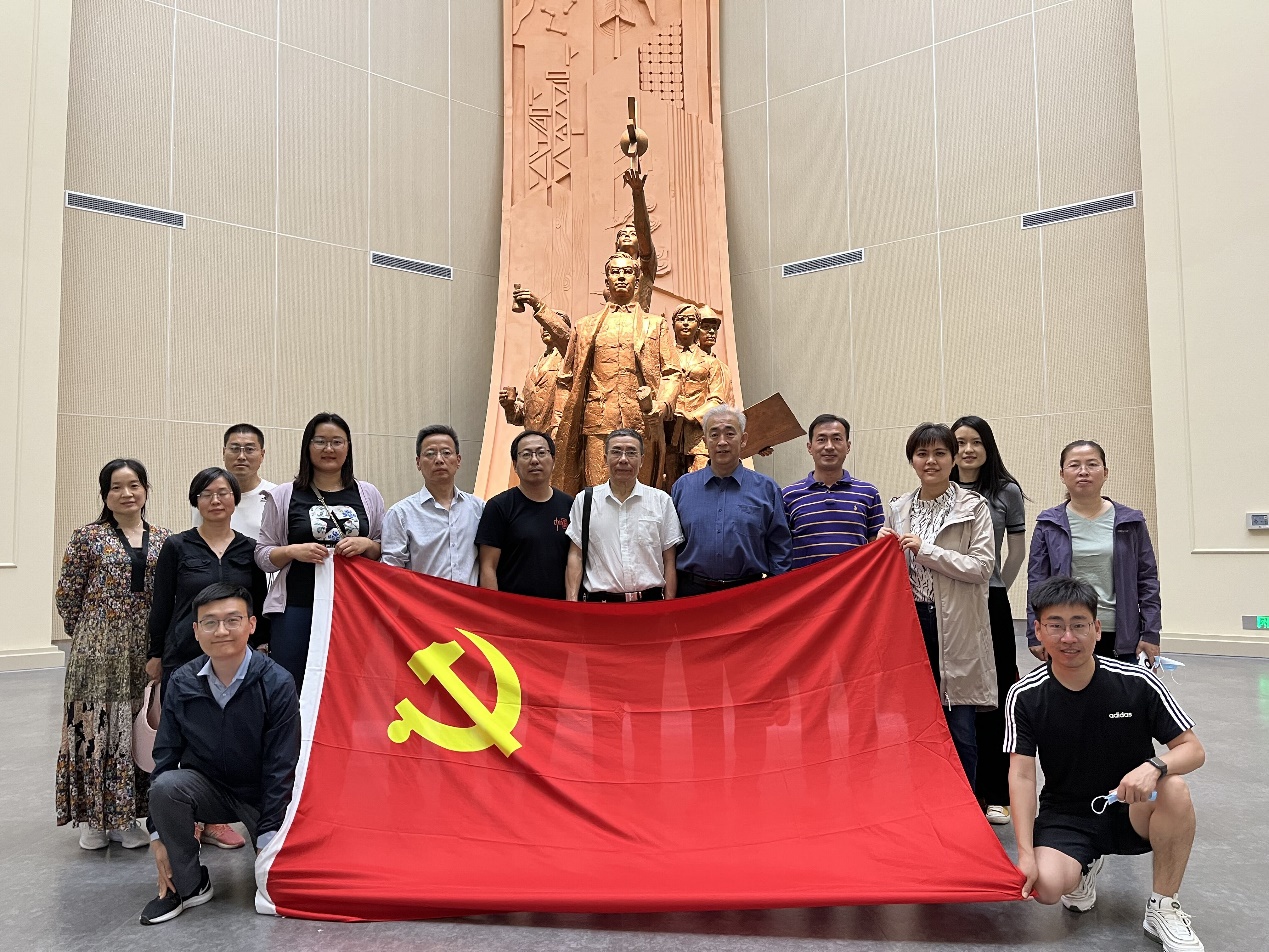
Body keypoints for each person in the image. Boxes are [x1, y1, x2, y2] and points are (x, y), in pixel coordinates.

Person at [1007, 576, 1205, 952]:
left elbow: (1192, 750)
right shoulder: (1025, 695)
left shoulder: (1137, 682)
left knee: (1175, 788)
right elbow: (1021, 775)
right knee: (1045, 888)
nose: (1068, 637)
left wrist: (1154, 766)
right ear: (1038, 631)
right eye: (1056, 626)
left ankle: (1163, 906)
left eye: (1079, 625)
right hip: (1067, 813)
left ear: (1097, 629)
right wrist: (1026, 854)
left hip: (1132, 806)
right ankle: (1082, 866)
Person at [139, 583, 300, 925]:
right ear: (196, 631)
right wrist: (158, 835)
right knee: (167, 787)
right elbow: (165, 756)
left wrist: (268, 838)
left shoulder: (277, 682)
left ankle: (271, 855)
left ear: (252, 625)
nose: (221, 630)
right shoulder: (182, 681)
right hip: (207, 789)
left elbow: (281, 766)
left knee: (283, 890)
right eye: (210, 622)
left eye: (232, 620)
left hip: (263, 795)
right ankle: (189, 884)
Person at [147, 468, 270, 851]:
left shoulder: (250, 549)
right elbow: (162, 603)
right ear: (195, 501)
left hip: (235, 659)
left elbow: (258, 603)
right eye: (206, 494)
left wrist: (261, 644)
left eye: (223, 493)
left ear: (235, 499)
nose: (215, 500)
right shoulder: (177, 546)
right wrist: (155, 654)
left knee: (225, 736)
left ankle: (215, 819)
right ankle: (182, 819)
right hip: (184, 655)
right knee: (183, 736)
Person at [55, 459, 171, 850]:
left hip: (144, 652)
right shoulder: (87, 537)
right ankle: (93, 819)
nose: (126, 493)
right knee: (95, 729)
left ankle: (126, 818)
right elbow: (67, 596)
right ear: (105, 495)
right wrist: (91, 634)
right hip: (96, 652)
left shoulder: (164, 539)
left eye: (134, 485)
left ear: (146, 490)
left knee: (136, 728)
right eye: (116, 487)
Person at [878, 422, 996, 787]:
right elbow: (890, 573)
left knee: (960, 725)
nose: (931, 461)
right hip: (911, 624)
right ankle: (924, 802)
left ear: (953, 459)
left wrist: (926, 551)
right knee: (915, 722)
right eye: (922, 454)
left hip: (956, 624)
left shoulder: (974, 507)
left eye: (940, 453)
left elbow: (981, 567)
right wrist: (879, 547)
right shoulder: (898, 508)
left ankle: (965, 806)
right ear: (912, 460)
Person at [255, 413, 384, 692]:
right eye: (320, 441)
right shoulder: (285, 494)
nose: (329, 448)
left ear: (348, 447)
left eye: (337, 442)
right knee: (290, 685)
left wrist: (367, 545)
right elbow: (263, 555)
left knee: (348, 685)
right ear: (307, 446)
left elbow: (384, 550)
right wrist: (292, 550)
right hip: (296, 606)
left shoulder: (368, 494)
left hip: (353, 607)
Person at [950, 415, 1027, 826]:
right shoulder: (939, 489)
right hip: (948, 605)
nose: (967, 450)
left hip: (990, 599)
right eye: (960, 442)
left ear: (987, 446)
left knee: (996, 695)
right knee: (955, 694)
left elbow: (1016, 552)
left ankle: (997, 793)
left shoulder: (1005, 491)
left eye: (975, 442)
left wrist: (997, 587)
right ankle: (960, 787)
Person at [551, 251, 681, 492]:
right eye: (615, 272)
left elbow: (672, 372)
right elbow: (565, 380)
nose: (621, 276)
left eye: (627, 271)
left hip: (642, 422)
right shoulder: (585, 326)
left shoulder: (656, 325)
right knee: (597, 495)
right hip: (597, 423)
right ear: (607, 280)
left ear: (637, 280)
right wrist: (558, 423)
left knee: (641, 495)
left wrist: (662, 406)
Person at [1027, 440, 1161, 664]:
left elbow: (1147, 581)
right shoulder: (1048, 524)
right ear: (1062, 474)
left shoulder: (1131, 521)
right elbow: (1037, 582)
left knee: (1120, 687)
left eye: (1092, 464)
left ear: (1105, 472)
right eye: (1074, 465)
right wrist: (1035, 633)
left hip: (1121, 633)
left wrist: (1150, 632)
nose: (1083, 472)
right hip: (1067, 633)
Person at [672, 405, 792, 596]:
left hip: (748, 594)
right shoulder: (682, 487)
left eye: (730, 434)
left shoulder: (766, 489)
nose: (722, 442)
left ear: (743, 439)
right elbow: (671, 547)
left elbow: (780, 547)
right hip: (692, 594)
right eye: (714, 435)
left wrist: (773, 593)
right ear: (705, 441)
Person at [564, 429, 682, 602]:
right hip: (600, 606)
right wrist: (572, 603)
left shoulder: (660, 500)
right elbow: (576, 555)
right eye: (616, 452)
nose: (623, 459)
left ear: (642, 460)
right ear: (605, 458)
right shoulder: (586, 500)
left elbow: (669, 560)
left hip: (650, 604)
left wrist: (669, 605)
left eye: (631, 453)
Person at [476, 431, 574, 598]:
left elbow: (574, 560)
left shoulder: (569, 505)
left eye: (541, 453)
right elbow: (487, 567)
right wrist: (493, 608)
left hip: (558, 607)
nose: (534, 460)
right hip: (513, 607)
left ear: (553, 460)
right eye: (526, 454)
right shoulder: (499, 507)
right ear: (515, 464)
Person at [381, 425, 484, 584]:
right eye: (430, 454)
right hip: (422, 600)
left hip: (469, 600)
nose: (439, 460)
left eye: (446, 453)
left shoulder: (479, 508)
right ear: (418, 463)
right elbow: (391, 572)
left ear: (458, 461)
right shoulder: (400, 514)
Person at [782, 414, 884, 568]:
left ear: (848, 446)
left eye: (836, 439)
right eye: (821, 439)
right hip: (807, 583)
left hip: (855, 582)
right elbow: (780, 550)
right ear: (809, 447)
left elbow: (877, 546)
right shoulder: (788, 496)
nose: (829, 446)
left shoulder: (868, 493)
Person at [664, 303, 730, 485]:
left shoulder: (711, 362)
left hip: (698, 434)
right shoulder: (664, 358)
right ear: (673, 324)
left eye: (691, 320)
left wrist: (692, 415)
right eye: (681, 319)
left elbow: (717, 398)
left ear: (697, 325)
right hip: (669, 432)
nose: (686, 324)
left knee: (701, 481)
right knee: (670, 483)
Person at [500, 298, 570, 439]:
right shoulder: (533, 370)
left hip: (558, 440)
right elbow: (521, 416)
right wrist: (509, 405)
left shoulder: (569, 359)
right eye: (542, 325)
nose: (545, 328)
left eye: (549, 324)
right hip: (533, 442)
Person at [192, 424, 276, 539]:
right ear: (224, 452)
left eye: (249, 449)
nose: (241, 456)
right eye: (234, 449)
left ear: (262, 455)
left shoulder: (277, 495)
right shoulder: (206, 495)